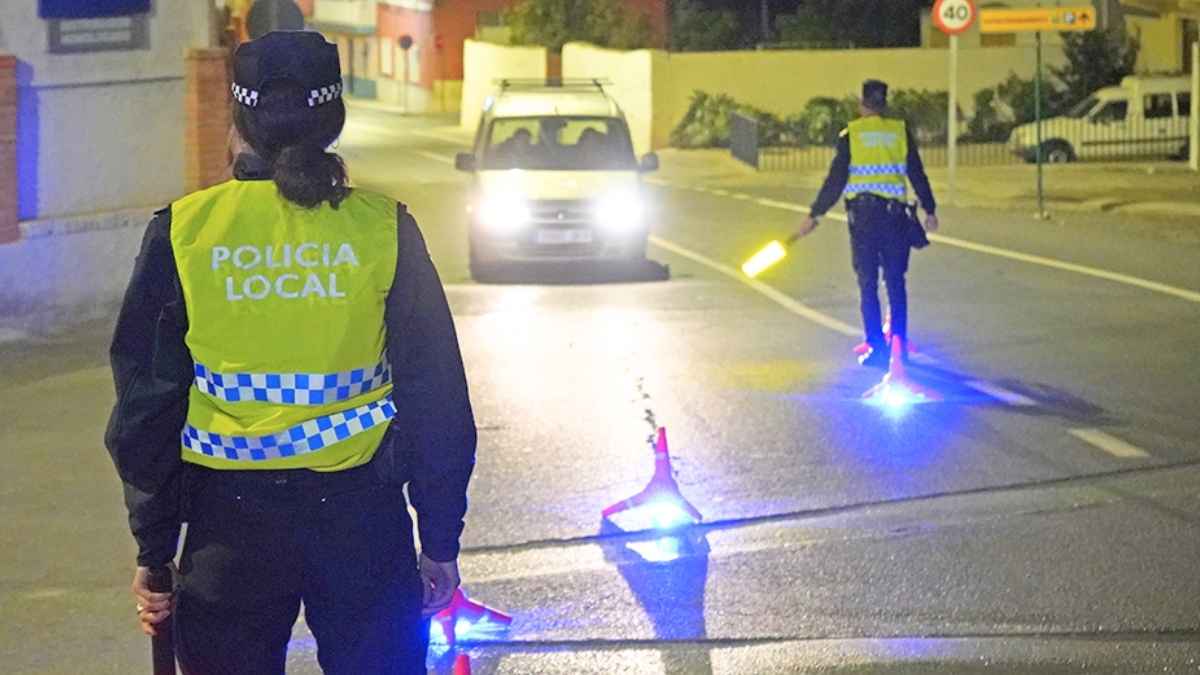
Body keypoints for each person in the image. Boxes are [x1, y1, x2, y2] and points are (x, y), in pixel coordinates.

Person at [105, 31, 476, 674]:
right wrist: (439, 540)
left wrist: (155, 550)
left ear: (240, 118)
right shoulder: (384, 227)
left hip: (230, 534)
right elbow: (436, 399)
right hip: (364, 529)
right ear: (333, 119)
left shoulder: (185, 231)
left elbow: (147, 407)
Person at [793, 79, 939, 368]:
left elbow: (836, 180)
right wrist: (929, 209)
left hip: (864, 220)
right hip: (895, 216)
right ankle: (899, 347)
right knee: (896, 283)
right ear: (884, 104)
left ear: (862, 104)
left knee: (868, 283)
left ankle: (877, 347)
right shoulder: (899, 132)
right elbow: (916, 172)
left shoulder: (852, 134)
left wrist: (815, 214)